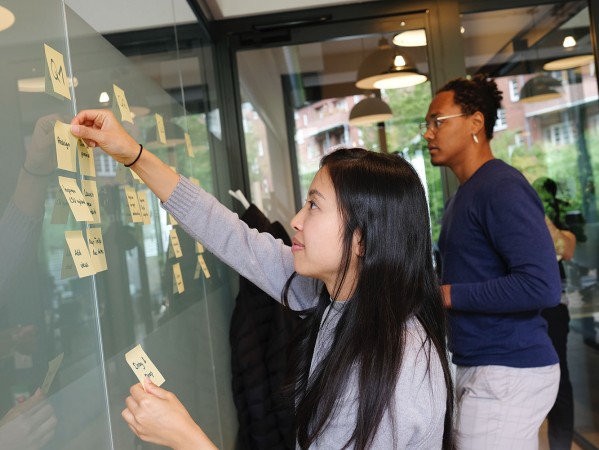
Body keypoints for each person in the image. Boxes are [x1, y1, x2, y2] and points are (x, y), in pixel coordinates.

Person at [70, 109, 455, 450]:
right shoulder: (331, 294)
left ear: (361, 240)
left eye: (314, 206)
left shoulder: (395, 365)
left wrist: (185, 437)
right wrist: (133, 154)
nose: (296, 220)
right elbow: (229, 234)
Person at [421, 74, 561, 450]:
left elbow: (542, 285)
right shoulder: (463, 197)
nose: (428, 134)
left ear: (476, 123)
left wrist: (448, 295)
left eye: (438, 121)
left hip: (508, 368)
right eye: (427, 124)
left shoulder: (501, 186)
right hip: (481, 364)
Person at [533, 177, 577, 450]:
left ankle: (560, 445)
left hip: (554, 308)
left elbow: (567, 248)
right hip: (528, 308)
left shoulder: (554, 218)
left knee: (559, 381)